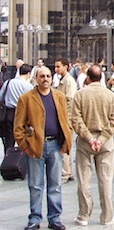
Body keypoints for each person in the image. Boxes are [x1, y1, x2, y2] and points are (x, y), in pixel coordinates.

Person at [14, 66, 72, 230]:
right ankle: (35, 218)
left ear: (52, 78)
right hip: (35, 147)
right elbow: (18, 127)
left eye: (48, 76)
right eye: (42, 76)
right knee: (36, 185)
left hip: (55, 145)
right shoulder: (26, 98)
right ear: (36, 79)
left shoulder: (59, 96)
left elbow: (65, 120)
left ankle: (55, 218)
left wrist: (65, 142)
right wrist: (25, 147)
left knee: (55, 184)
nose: (45, 79)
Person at [71, 64, 114, 226]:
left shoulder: (80, 95)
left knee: (84, 180)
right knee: (105, 180)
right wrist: (102, 138)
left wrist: (90, 138)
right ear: (102, 78)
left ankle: (84, 215)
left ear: (88, 78)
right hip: (105, 143)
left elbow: (76, 120)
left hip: (86, 142)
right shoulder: (110, 95)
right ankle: (107, 216)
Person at [0, 63, 33, 154]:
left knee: (9, 141)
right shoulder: (28, 86)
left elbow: (1, 96)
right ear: (28, 74)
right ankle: (19, 161)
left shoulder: (8, 82)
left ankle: (7, 160)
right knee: (22, 139)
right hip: (22, 114)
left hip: (8, 113)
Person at [54, 58, 77, 184]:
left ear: (66, 67)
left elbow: (70, 100)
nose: (56, 69)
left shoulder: (69, 81)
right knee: (67, 144)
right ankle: (69, 172)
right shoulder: (63, 80)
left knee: (64, 144)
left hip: (66, 117)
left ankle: (65, 173)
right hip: (64, 116)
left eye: (58, 66)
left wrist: (64, 116)